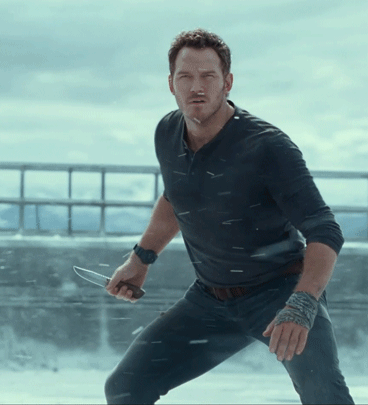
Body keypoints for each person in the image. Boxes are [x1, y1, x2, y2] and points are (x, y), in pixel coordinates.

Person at [104, 29, 353, 404]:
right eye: (185, 77)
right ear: (171, 84)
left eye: (208, 76)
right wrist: (140, 259)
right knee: (126, 387)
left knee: (325, 395)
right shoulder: (167, 132)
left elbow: (325, 230)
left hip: (279, 293)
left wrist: (303, 303)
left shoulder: (268, 147)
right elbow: (177, 197)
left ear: (228, 82)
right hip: (209, 301)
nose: (196, 87)